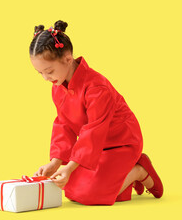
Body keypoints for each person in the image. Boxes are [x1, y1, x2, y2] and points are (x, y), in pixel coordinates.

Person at [29, 20, 163, 205]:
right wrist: (55, 162)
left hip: (121, 142)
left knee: (89, 194)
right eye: (40, 73)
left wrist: (70, 166)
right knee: (69, 188)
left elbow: (94, 130)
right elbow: (63, 124)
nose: (45, 78)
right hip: (95, 148)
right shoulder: (57, 86)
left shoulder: (97, 88)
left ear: (68, 58)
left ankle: (139, 170)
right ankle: (123, 177)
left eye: (49, 71)